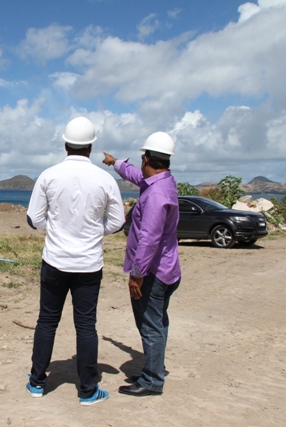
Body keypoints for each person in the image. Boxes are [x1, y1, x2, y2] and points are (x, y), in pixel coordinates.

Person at [25, 116, 125, 406]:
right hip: (89, 265)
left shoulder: (49, 176)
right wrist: (95, 231)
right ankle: (88, 390)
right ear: (91, 146)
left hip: (55, 261)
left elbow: (34, 218)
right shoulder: (105, 179)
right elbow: (118, 221)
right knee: (86, 326)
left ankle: (37, 382)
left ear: (65, 143)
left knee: (47, 321)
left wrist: (56, 230)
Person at [102, 131, 182, 397]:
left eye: (142, 159)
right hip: (166, 269)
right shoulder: (161, 182)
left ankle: (152, 381)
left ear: (147, 158)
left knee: (151, 326)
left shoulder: (156, 195)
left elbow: (149, 239)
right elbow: (137, 176)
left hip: (152, 273)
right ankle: (152, 370)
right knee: (157, 323)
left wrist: (137, 275)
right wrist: (116, 163)